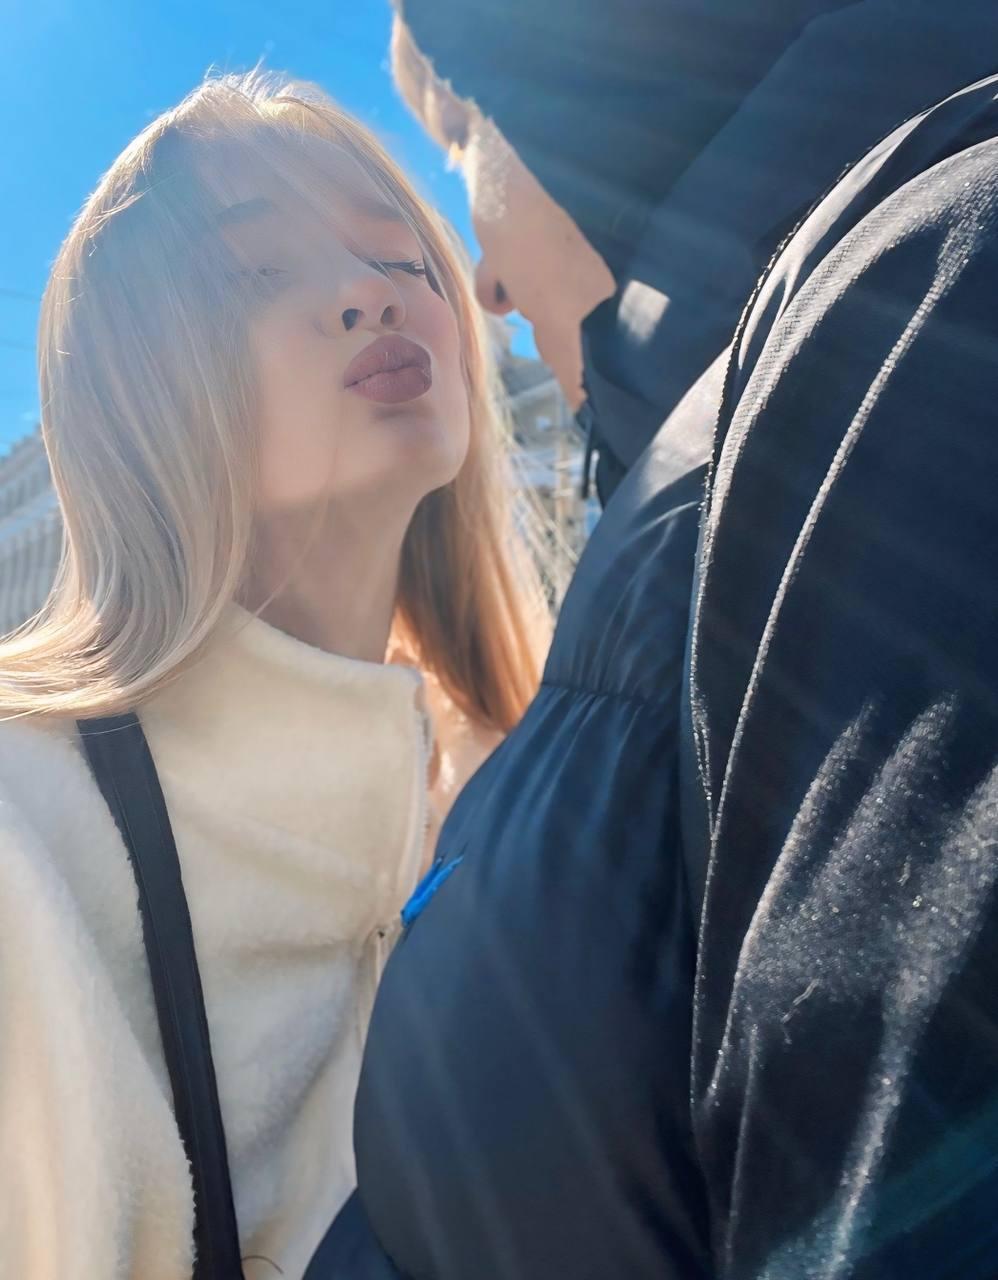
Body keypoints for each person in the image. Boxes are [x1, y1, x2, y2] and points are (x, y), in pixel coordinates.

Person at [319, 3, 998, 1277]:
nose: (482, 281)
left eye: (463, 135)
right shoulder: (761, 437)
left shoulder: (921, 316)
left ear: (599, 78)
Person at [0, 71, 548, 1280]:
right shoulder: (23, 828)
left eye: (400, 258)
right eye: (254, 272)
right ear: (130, 387)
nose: (369, 292)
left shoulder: (520, 794)